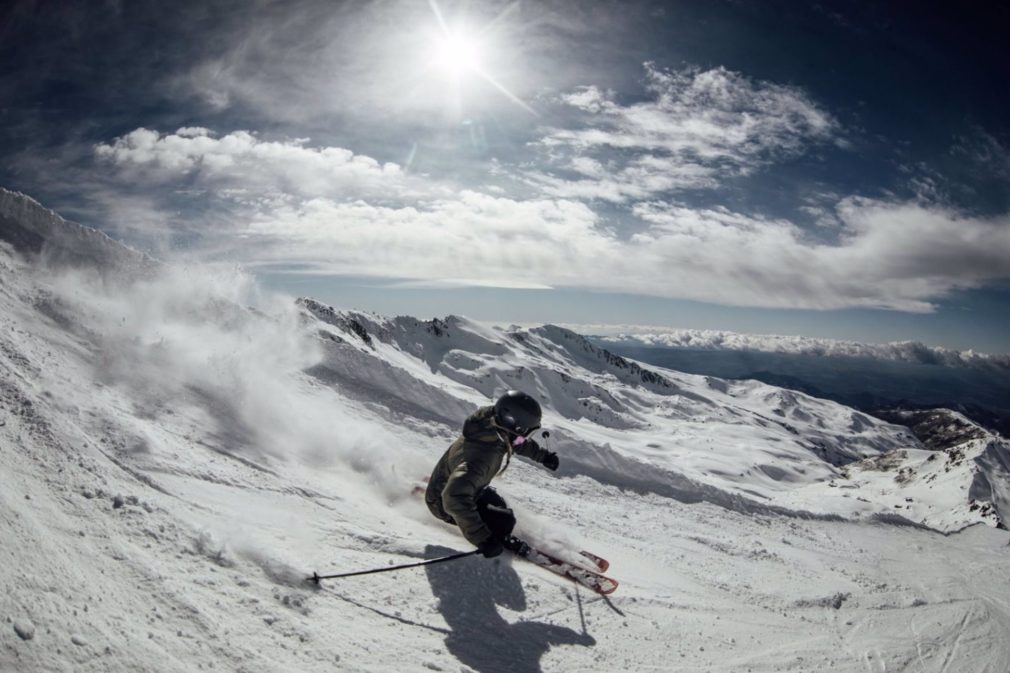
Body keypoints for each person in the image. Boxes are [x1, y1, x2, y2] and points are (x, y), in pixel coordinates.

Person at [425, 390, 560, 558]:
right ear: (514, 426)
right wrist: (483, 540)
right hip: (443, 504)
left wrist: (542, 456)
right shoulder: (480, 461)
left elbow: (517, 442)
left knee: (500, 505)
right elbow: (452, 498)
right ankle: (499, 538)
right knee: (505, 522)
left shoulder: (491, 425)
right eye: (526, 432)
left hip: (459, 483)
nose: (524, 437)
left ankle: (487, 521)